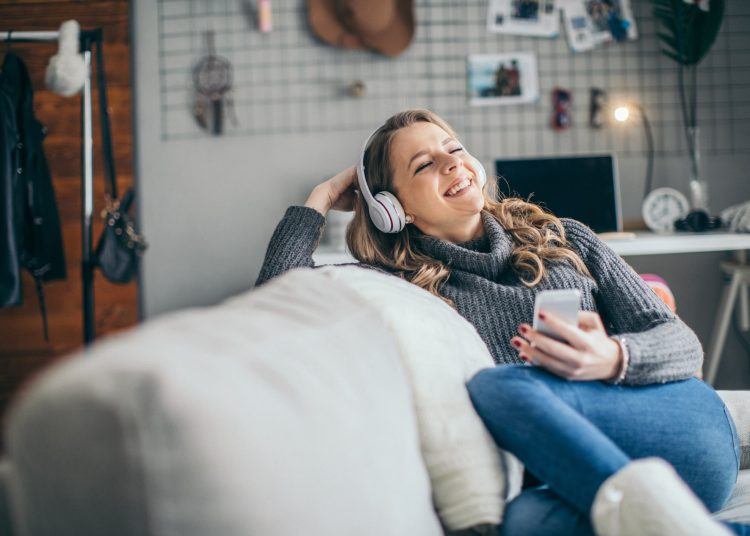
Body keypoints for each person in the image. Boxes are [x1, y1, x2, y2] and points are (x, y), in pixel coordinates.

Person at [256, 109, 747, 535]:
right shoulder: (397, 288)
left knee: (498, 388)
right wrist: (318, 200)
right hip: (563, 474)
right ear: (392, 210)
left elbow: (682, 345)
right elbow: (273, 313)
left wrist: (612, 357)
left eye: (453, 148)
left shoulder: (566, 239)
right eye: (425, 164)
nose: (451, 162)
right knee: (521, 524)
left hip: (675, 429)